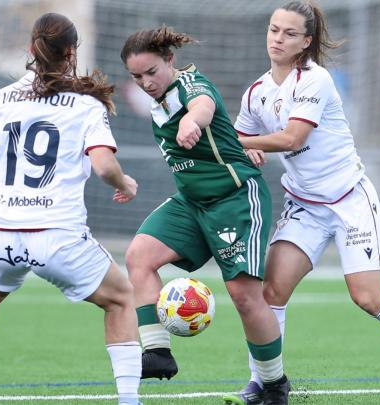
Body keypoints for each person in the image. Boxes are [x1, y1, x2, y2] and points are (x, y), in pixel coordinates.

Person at [225, 1, 380, 404]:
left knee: (367, 297)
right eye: (274, 30)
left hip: (349, 200)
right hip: (304, 207)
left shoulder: (315, 80)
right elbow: (240, 140)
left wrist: (243, 142)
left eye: (289, 33)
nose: (277, 39)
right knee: (271, 293)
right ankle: (263, 381)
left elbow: (292, 138)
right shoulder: (256, 93)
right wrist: (245, 148)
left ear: (306, 42)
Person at [0, 13, 142, 405]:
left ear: (31, 49)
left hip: (0, 234)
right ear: (71, 52)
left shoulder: (1, 98)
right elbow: (105, 167)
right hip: (56, 237)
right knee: (121, 298)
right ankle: (129, 400)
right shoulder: (85, 103)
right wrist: (125, 184)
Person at [120, 26, 290, 405]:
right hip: (192, 202)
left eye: (152, 72)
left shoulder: (191, 84)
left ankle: (274, 384)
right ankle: (157, 352)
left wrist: (191, 121)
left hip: (235, 198)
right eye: (137, 77)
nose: (146, 82)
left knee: (244, 297)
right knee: (139, 256)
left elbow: (203, 106)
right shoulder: (157, 101)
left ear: (170, 60)